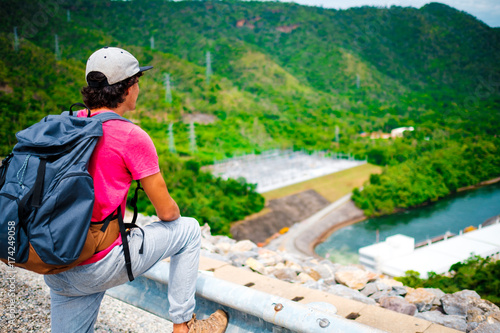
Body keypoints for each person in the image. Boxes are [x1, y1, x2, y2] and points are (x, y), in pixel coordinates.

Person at [43, 47, 229, 333]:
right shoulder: (131, 136)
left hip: (56, 262)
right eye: (137, 82)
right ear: (127, 88)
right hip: (96, 264)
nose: (138, 88)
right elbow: (167, 212)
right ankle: (184, 325)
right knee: (189, 229)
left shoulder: (65, 122)